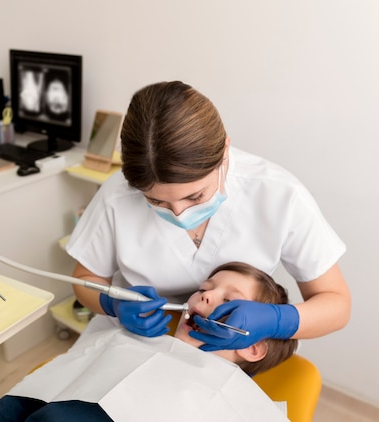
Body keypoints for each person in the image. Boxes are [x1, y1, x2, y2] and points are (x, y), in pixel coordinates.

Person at [67, 81, 350, 350]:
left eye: (195, 196)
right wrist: (111, 304)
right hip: (135, 344)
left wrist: (275, 321)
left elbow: (336, 304)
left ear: (224, 153)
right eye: (155, 200)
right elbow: (85, 278)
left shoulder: (279, 194)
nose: (179, 213)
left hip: (230, 352)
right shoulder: (117, 196)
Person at [0, 262, 297, 421]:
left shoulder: (236, 405)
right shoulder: (124, 340)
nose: (207, 294)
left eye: (230, 299)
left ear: (253, 346)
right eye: (206, 287)